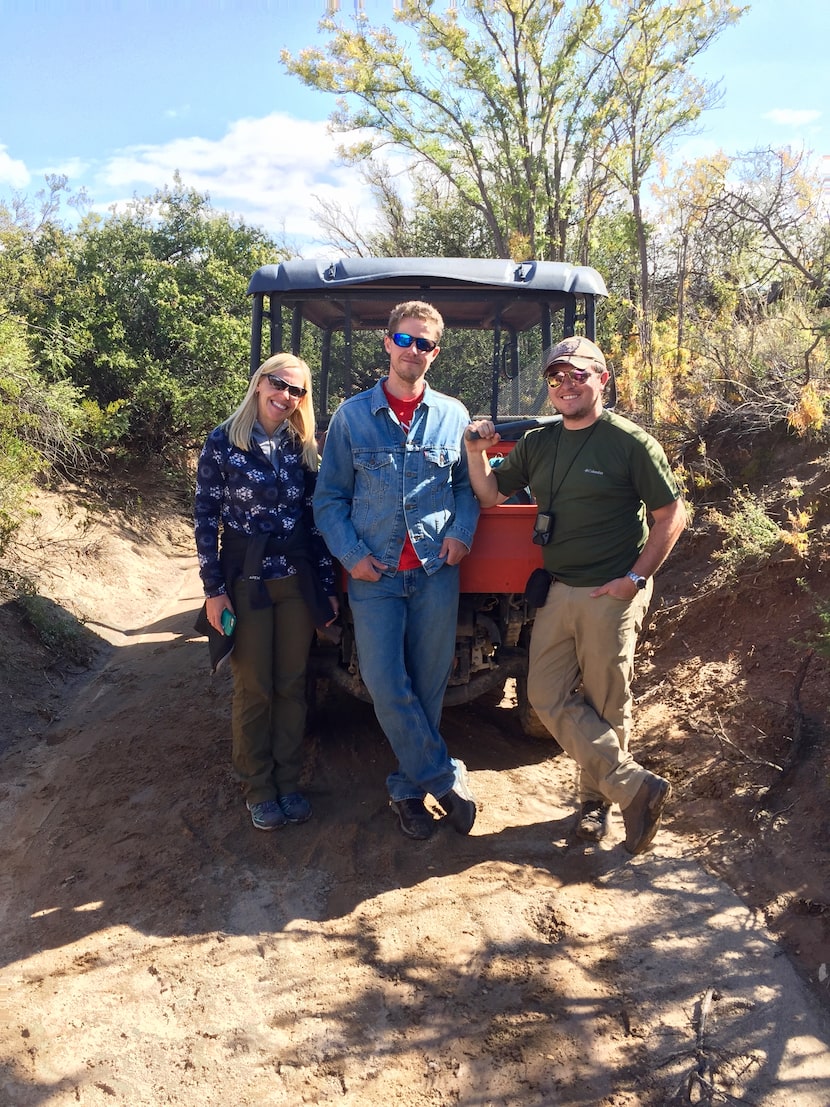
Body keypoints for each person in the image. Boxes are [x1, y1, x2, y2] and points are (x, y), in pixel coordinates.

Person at [464, 336, 686, 855]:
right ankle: (634, 787)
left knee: (607, 700)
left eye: (577, 375)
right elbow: (492, 494)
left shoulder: (629, 442)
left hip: (611, 589)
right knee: (544, 693)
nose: (566, 385)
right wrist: (476, 454)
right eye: (556, 377)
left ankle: (596, 806)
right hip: (561, 587)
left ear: (602, 379)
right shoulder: (541, 443)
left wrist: (633, 580)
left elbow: (671, 515)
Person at [313, 301, 480, 841]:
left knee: (428, 687)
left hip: (435, 570)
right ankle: (444, 779)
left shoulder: (454, 415)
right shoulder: (351, 417)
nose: (414, 351)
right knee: (386, 686)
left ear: (436, 351)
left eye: (424, 344)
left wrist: (461, 534)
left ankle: (407, 790)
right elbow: (330, 498)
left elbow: (465, 486)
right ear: (387, 343)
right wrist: (350, 555)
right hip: (376, 576)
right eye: (405, 340)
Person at [194, 353, 338, 831]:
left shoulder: (303, 448)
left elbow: (315, 522)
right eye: (279, 384)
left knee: (292, 684)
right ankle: (258, 787)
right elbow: (205, 520)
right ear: (259, 384)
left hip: (294, 582)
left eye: (297, 391)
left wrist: (326, 587)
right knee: (254, 687)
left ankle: (289, 782)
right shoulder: (223, 442)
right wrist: (214, 591)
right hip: (247, 583)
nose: (287, 396)